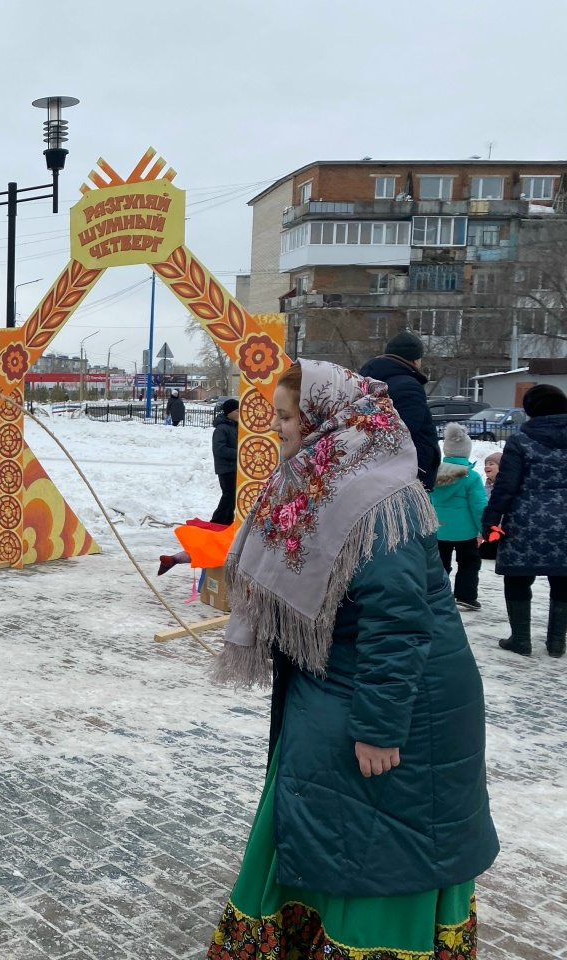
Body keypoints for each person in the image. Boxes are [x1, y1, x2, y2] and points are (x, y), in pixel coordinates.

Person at [209, 360, 498, 959]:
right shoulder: (320, 480)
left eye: (287, 416)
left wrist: (380, 727)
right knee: (326, 825)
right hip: (335, 688)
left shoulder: (377, 499)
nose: (278, 428)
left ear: (325, 419)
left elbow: (398, 624)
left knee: (381, 846)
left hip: (395, 704)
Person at [480, 383, 567, 658]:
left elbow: (506, 485)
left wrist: (491, 519)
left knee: (518, 578)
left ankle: (520, 640)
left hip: (525, 519)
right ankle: (557, 642)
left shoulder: (520, 440)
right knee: (563, 580)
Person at [359, 331, 439, 490]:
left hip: (373, 469)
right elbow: (405, 430)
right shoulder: (409, 386)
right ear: (415, 360)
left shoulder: (367, 381)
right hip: (405, 474)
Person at [430, 422, 488, 611]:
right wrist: (484, 529)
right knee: (469, 562)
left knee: (439, 563)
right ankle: (466, 596)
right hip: (465, 531)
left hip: (438, 529)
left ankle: (437, 594)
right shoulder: (471, 477)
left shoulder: (433, 474)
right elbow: (479, 505)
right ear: (466, 452)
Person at [210, 398, 239, 525]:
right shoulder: (221, 429)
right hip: (226, 468)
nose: (240, 413)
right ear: (229, 412)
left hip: (234, 467)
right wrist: (239, 453)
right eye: (237, 411)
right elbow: (220, 449)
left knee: (232, 497)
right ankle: (217, 521)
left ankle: (226, 521)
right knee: (228, 495)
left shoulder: (234, 426)